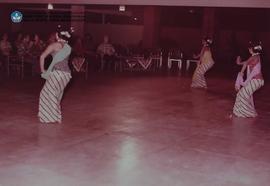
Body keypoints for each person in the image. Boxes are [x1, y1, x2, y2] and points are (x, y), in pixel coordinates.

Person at [38, 25, 74, 123]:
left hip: (57, 74)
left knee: (45, 94)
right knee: (57, 95)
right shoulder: (68, 47)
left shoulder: (53, 45)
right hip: (67, 75)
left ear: (57, 35)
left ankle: (51, 117)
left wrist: (43, 71)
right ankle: (57, 116)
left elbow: (42, 57)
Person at [233, 42, 264, 118]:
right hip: (257, 81)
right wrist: (239, 63)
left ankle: (247, 113)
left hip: (256, 81)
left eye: (250, 48)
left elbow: (246, 63)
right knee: (243, 94)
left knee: (241, 95)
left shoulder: (255, 57)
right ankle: (244, 112)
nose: (249, 49)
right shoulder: (256, 56)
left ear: (253, 49)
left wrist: (241, 73)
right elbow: (246, 62)